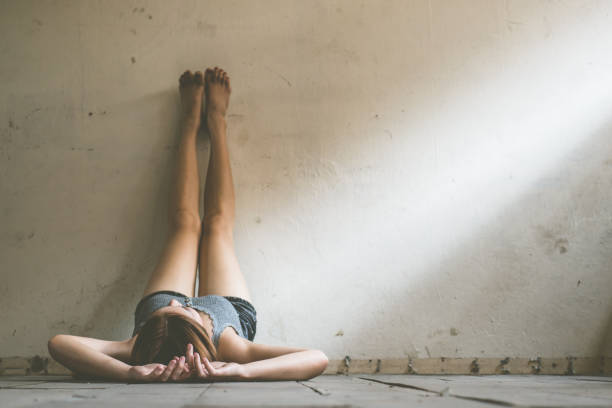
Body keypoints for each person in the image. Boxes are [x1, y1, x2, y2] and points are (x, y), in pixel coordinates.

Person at [48, 67, 329, 382]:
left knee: (185, 223)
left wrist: (130, 372)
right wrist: (241, 371)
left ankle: (189, 123)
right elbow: (317, 358)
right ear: (200, 328)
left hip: (162, 326)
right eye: (183, 308)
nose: (177, 301)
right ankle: (217, 121)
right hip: (226, 311)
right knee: (217, 225)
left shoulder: (140, 344)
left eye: (170, 307)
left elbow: (59, 344)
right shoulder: (231, 347)